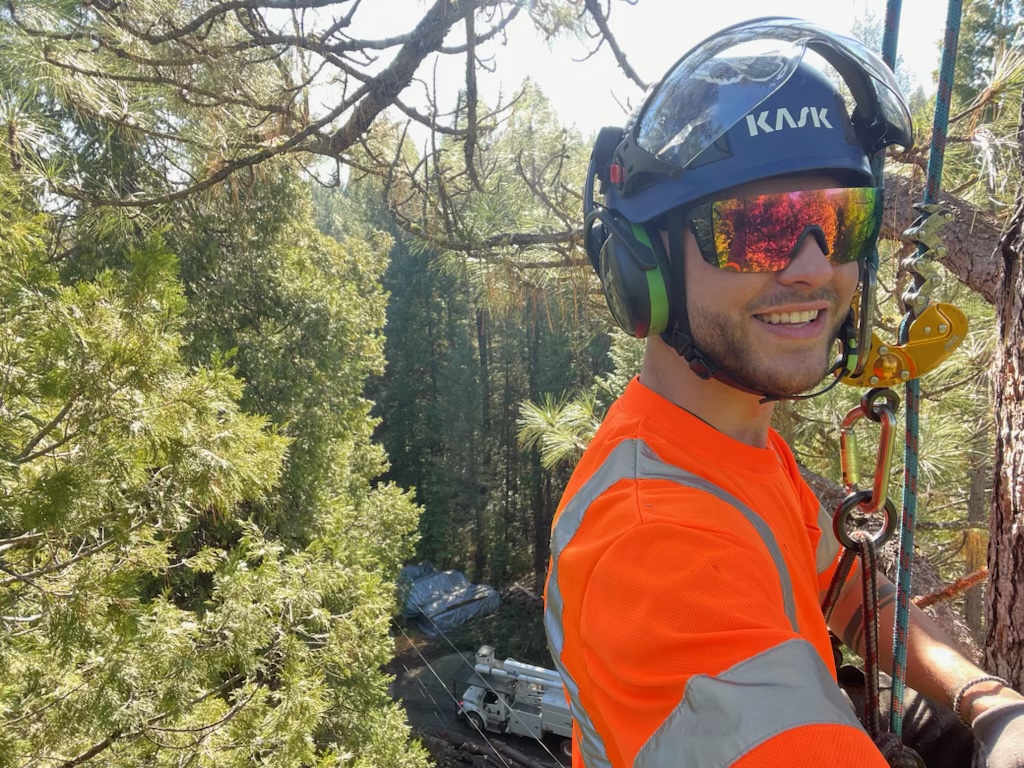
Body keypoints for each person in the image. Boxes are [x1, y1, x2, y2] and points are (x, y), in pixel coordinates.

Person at [543, 17, 1024, 768]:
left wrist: (980, 700)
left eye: (840, 222)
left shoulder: (728, 445)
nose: (813, 267)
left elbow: (846, 585)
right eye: (757, 229)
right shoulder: (652, 548)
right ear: (647, 268)